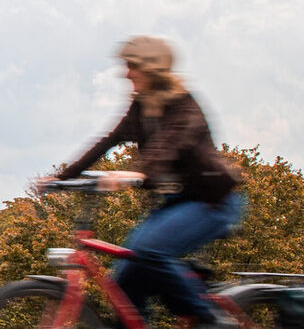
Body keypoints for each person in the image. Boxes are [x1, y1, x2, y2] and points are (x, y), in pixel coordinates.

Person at [40, 36, 245, 328]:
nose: (125, 73)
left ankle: (211, 320)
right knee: (125, 279)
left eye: (131, 66)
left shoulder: (184, 106)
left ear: (152, 69)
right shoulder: (140, 106)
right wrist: (62, 177)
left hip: (211, 202)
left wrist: (137, 172)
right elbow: (106, 142)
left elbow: (170, 143)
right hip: (172, 205)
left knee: (150, 251)